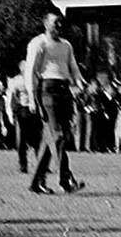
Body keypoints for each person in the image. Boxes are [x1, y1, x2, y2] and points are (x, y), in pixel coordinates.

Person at [25, 10, 88, 195]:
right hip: (47, 91)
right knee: (58, 136)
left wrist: (80, 82)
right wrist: (31, 97)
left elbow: (73, 67)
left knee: (51, 139)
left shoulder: (66, 45)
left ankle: (36, 182)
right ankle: (66, 180)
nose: (58, 26)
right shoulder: (38, 43)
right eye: (54, 23)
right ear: (45, 23)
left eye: (60, 23)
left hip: (64, 91)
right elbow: (30, 71)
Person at [3, 60, 37, 174]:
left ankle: (41, 165)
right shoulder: (15, 81)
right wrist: (10, 114)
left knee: (38, 140)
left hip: (33, 110)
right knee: (21, 141)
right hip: (22, 111)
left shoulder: (35, 79)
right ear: (21, 68)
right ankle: (23, 165)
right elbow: (10, 98)